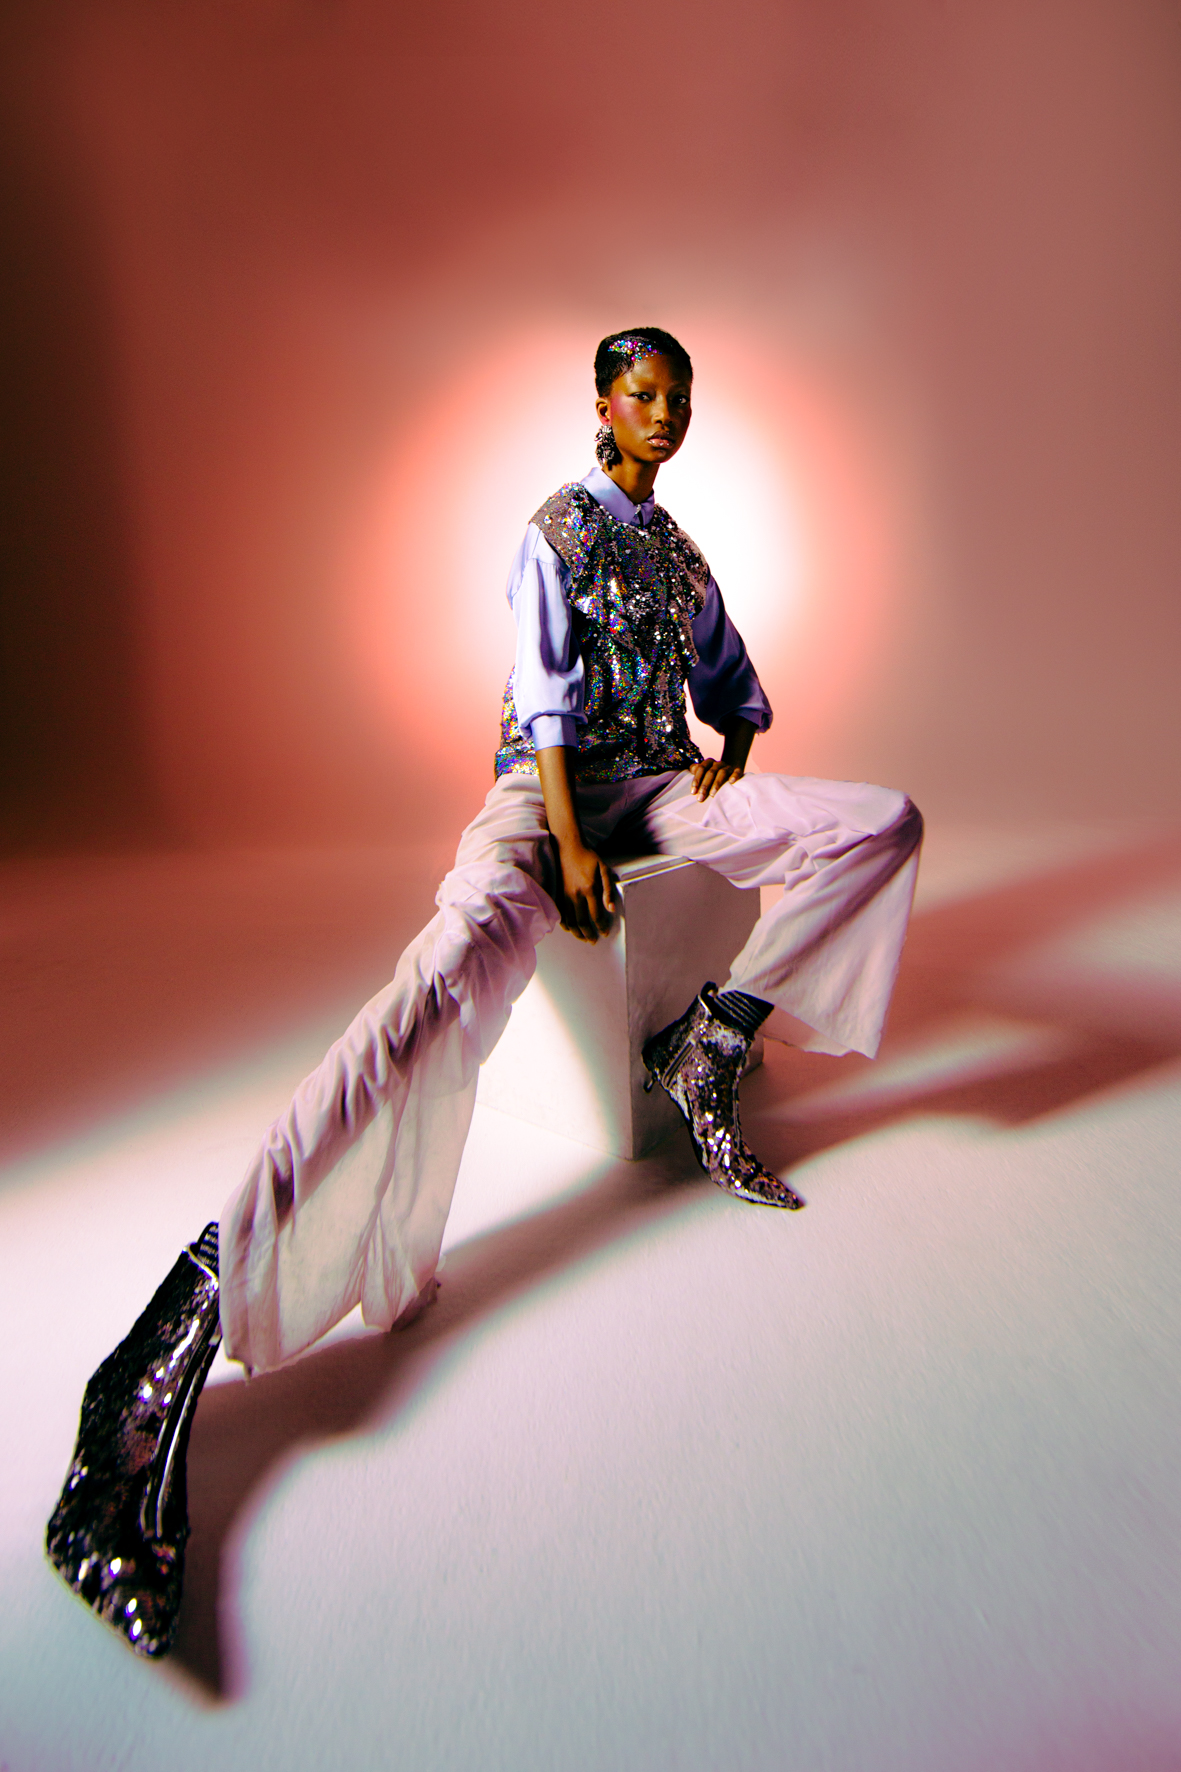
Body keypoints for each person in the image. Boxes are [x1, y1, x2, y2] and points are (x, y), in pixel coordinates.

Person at [46, 327, 923, 1657]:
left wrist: (730, 748)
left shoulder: (682, 556)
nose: (664, 414)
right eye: (642, 394)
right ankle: (165, 1347)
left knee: (878, 821)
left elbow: (736, 684)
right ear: (602, 403)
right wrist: (566, 846)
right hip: (542, 800)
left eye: (679, 398)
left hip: (653, 797)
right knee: (436, 989)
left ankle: (714, 1038)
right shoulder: (553, 532)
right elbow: (546, 703)